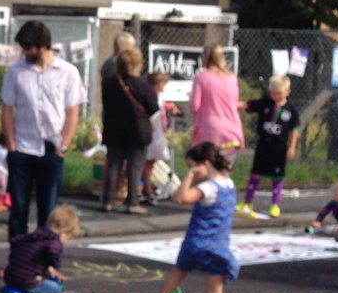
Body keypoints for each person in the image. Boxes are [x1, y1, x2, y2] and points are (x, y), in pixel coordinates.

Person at [145, 141, 242, 293]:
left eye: (192, 167)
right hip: (214, 246)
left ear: (204, 164)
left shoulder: (207, 187)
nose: (192, 172)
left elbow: (180, 197)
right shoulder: (227, 184)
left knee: (178, 272)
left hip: (194, 242)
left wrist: (189, 177)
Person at [1, 20, 87, 239]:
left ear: (42, 46)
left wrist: (63, 146)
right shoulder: (16, 72)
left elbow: (72, 112)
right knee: (18, 209)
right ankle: (18, 255)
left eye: (28, 47)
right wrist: (11, 144)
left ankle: (44, 255)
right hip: (22, 146)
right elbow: (7, 108)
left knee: (48, 211)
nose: (24, 52)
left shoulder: (67, 72)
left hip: (51, 147)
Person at [2, 204, 81, 293]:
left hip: (10, 277)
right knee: (55, 292)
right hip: (27, 282)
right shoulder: (54, 242)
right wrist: (54, 265)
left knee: (23, 279)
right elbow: (53, 251)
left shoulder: (35, 235)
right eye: (68, 237)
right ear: (64, 232)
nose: (66, 241)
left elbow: (16, 241)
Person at [99, 45, 159, 214]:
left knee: (113, 165)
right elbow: (153, 108)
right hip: (138, 131)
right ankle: (132, 202)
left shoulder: (109, 84)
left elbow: (106, 106)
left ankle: (107, 200)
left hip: (114, 129)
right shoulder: (143, 84)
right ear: (138, 63)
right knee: (135, 166)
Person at [236, 74, 300, 218]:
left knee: (277, 176)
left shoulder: (291, 111)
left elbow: (295, 129)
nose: (275, 96)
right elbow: (247, 105)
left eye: (279, 93)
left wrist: (292, 146)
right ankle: (247, 202)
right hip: (263, 144)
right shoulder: (265, 103)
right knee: (255, 173)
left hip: (279, 148)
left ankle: (275, 205)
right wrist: (229, 103)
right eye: (273, 93)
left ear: (287, 92)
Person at [190, 43, 244, 163]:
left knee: (207, 166)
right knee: (224, 168)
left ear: (206, 57)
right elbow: (234, 102)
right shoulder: (232, 78)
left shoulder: (202, 77)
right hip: (232, 128)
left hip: (210, 129)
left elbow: (195, 106)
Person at [142, 72, 181, 204]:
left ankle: (147, 186)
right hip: (151, 130)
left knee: (152, 160)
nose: (164, 86)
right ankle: (147, 188)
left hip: (158, 130)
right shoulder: (149, 95)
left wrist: (171, 108)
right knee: (148, 160)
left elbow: (163, 105)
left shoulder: (160, 95)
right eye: (163, 83)